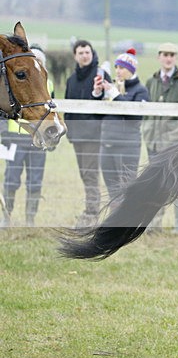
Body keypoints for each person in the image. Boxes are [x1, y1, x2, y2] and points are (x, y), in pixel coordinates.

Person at [142, 42, 178, 234]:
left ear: (176, 58)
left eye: (172, 55)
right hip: (153, 140)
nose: (168, 58)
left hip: (175, 142)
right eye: (165, 54)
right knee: (155, 182)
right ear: (159, 57)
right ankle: (154, 224)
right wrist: (147, 127)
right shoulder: (152, 81)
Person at [1, 45, 53, 227]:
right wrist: (4, 133)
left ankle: (30, 219)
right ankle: (6, 217)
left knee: (35, 180)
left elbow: (51, 114)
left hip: (37, 142)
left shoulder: (47, 85)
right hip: (14, 138)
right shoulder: (12, 83)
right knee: (11, 179)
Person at [93, 48, 150, 209]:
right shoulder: (111, 88)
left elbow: (135, 117)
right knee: (111, 191)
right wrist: (97, 94)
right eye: (116, 67)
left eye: (122, 68)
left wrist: (116, 95)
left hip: (127, 147)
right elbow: (98, 115)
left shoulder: (141, 90)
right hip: (107, 145)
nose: (118, 71)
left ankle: (128, 222)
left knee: (127, 188)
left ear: (131, 70)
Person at [64, 39, 108, 228]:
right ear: (75, 56)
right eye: (81, 53)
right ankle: (90, 210)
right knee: (84, 174)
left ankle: (91, 214)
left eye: (87, 52)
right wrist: (69, 131)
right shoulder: (71, 80)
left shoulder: (100, 75)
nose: (85, 55)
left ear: (92, 53)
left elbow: (108, 101)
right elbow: (68, 108)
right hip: (77, 136)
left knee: (90, 174)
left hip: (93, 135)